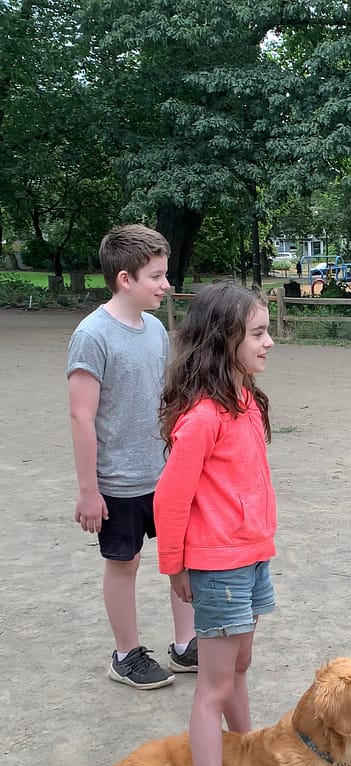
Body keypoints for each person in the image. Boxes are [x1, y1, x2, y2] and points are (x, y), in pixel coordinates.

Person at [154, 282, 276, 766]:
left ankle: (247, 765)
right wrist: (175, 567)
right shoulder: (204, 416)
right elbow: (169, 498)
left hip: (251, 558)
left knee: (239, 667)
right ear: (224, 339)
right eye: (258, 333)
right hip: (218, 566)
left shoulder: (245, 399)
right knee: (214, 686)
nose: (269, 342)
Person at [67, 225, 197, 690]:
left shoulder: (155, 329)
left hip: (164, 474)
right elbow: (82, 417)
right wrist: (89, 491)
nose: (166, 285)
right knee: (125, 564)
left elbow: (166, 398)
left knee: (181, 557)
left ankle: (185, 644)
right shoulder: (92, 335)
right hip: (119, 481)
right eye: (156, 276)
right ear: (125, 279)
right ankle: (126, 654)